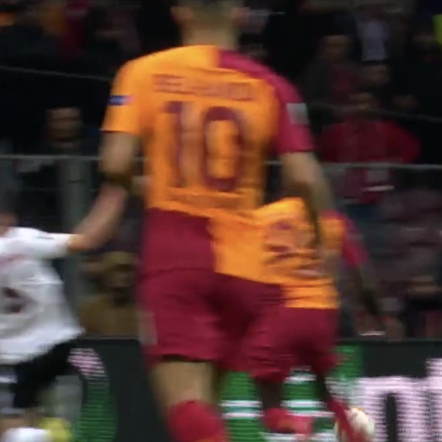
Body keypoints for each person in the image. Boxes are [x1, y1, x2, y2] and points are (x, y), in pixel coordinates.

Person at [76, 2, 334, 442]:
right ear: (239, 14)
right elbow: (304, 179)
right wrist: (323, 246)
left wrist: (152, 187)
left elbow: (114, 164)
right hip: (246, 266)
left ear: (179, 12)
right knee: (206, 411)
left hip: (177, 255)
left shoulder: (143, 72)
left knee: (188, 412)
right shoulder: (273, 85)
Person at [233, 198, 384, 442]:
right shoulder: (334, 221)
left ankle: (299, 426)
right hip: (322, 316)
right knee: (324, 389)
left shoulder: (260, 219)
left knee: (270, 404)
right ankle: (354, 432)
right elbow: (364, 280)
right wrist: (381, 318)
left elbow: (240, 276)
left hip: (281, 313)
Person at [0, 190, 100, 442]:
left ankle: (43, 433)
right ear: (8, 218)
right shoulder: (22, 240)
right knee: (25, 423)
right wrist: (116, 190)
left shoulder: (18, 241)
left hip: (17, 354)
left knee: (17, 428)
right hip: (57, 344)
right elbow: (84, 241)